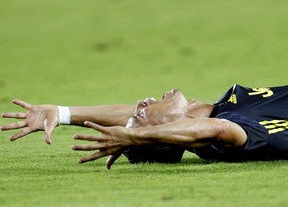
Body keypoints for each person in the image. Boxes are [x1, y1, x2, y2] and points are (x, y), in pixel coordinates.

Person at [2, 84, 288, 169]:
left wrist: (63, 113)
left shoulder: (222, 108)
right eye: (141, 116)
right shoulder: (224, 135)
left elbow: (143, 118)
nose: (140, 104)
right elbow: (216, 129)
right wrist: (134, 134)